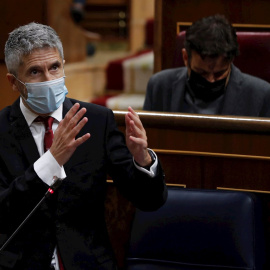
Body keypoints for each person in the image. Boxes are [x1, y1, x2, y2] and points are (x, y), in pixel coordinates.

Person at [0, 22, 167, 270]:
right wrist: (51, 162)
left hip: (87, 261)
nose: (49, 79)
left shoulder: (96, 121)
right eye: (35, 72)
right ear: (14, 82)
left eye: (54, 67)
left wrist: (143, 159)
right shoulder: (2, 129)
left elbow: (150, 201)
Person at [143, 14, 270, 116]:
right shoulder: (160, 87)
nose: (210, 80)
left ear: (230, 61)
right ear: (186, 57)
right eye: (201, 72)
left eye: (219, 74)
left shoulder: (261, 95)